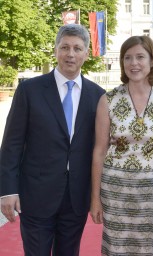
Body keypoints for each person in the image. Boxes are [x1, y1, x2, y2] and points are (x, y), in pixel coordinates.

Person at [0, 24, 105, 256]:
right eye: (65, 47)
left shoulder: (98, 96)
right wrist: (7, 190)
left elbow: (100, 147)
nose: (71, 54)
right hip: (36, 195)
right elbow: (11, 144)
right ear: (56, 50)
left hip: (76, 198)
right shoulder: (30, 90)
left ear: (86, 54)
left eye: (77, 48)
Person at [90, 36, 153, 255]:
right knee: (118, 248)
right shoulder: (108, 100)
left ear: (152, 61)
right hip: (116, 192)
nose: (133, 63)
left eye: (140, 57)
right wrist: (95, 198)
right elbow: (99, 151)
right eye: (127, 58)